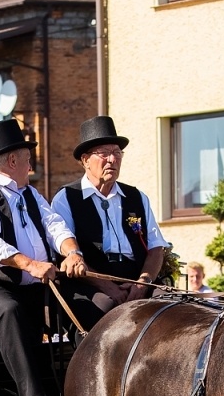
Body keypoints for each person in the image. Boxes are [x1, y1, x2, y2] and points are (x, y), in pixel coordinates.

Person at [0, 118, 95, 396]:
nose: (31, 166)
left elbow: (56, 226)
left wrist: (72, 252)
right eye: (27, 159)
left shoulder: (30, 194)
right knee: (9, 311)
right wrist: (31, 265)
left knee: (85, 306)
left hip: (39, 285)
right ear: (12, 160)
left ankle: (91, 388)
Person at [51, 115, 170, 317]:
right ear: (85, 160)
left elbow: (156, 248)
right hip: (91, 280)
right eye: (104, 153)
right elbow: (66, 251)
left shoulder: (136, 197)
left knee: (171, 306)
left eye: (117, 153)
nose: (112, 160)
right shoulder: (67, 198)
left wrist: (143, 283)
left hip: (136, 277)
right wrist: (107, 286)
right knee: (106, 310)